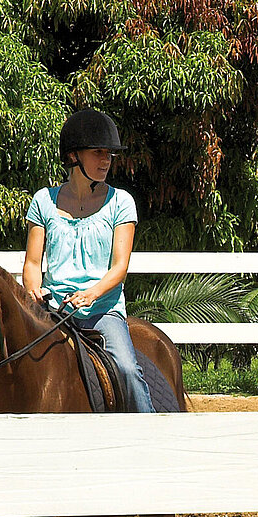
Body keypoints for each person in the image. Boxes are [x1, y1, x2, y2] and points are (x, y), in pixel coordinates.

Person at [22, 108, 152, 412]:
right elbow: (32, 264)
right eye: (98, 152)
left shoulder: (121, 202)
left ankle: (151, 431)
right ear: (73, 156)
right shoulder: (43, 201)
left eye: (109, 154)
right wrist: (33, 289)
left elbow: (119, 267)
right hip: (55, 309)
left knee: (127, 370)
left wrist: (91, 293)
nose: (106, 160)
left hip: (102, 310)